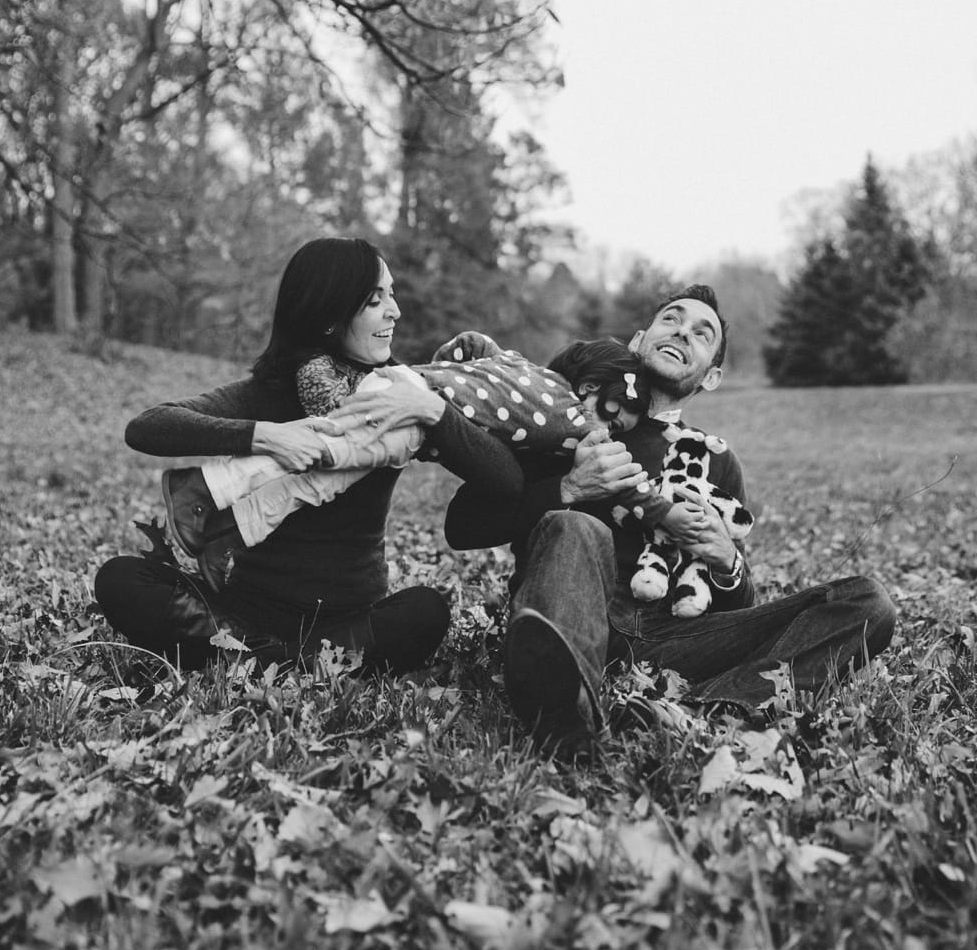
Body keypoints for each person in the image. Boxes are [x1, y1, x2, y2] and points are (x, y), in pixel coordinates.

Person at [358, 285, 896, 759]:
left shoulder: (715, 461)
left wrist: (725, 559)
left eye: (701, 333)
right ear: (639, 340)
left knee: (867, 602)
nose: (683, 332)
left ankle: (709, 711)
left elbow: (736, 608)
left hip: (674, 638)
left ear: (711, 377)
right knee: (578, 528)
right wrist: (567, 490)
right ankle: (567, 712)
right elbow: (464, 526)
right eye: (672, 319)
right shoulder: (563, 415)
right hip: (573, 610)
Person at [93, 236, 527, 676]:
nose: (394, 311)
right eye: (375, 301)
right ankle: (286, 662)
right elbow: (147, 427)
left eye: (391, 295)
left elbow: (506, 479)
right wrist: (267, 437)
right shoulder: (268, 392)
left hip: (346, 618)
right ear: (330, 315)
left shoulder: (397, 397)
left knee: (426, 611)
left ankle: (257, 662)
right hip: (243, 610)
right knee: (121, 579)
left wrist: (433, 412)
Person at [160, 338, 653, 591]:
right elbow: (619, 472)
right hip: (408, 407)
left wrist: (441, 371)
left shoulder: (518, 364)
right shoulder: (570, 418)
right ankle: (203, 487)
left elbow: (471, 344)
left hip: (411, 397)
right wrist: (658, 505)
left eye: (618, 430)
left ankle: (227, 532)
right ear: (590, 390)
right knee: (322, 451)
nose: (607, 433)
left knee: (323, 476)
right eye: (611, 417)